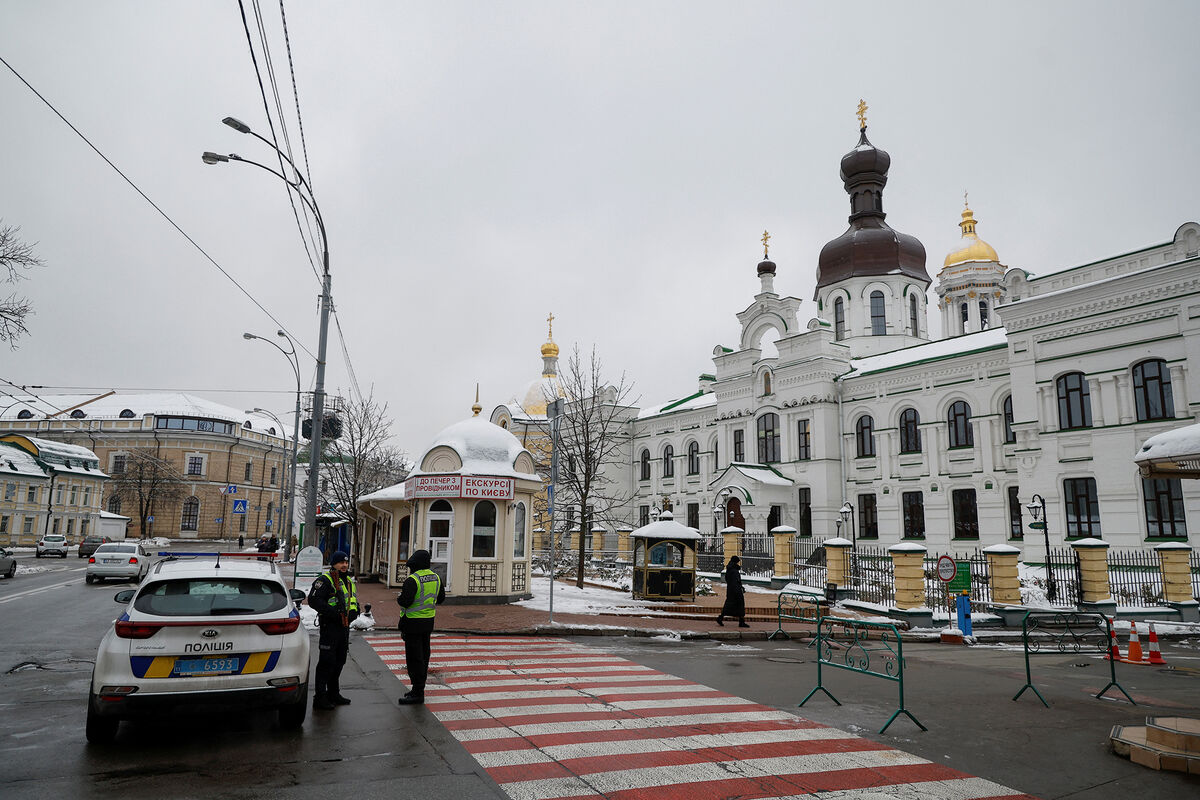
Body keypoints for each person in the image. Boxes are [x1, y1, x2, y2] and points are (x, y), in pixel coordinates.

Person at [307, 550, 358, 710]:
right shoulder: (325, 580)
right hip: (330, 626)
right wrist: (333, 614)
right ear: (333, 564)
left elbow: (353, 600)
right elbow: (314, 600)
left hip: (344, 627)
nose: (344, 565)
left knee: (339, 661)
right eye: (340, 563)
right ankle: (320, 697)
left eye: (346, 562)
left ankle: (334, 693)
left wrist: (354, 612)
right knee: (326, 662)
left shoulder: (348, 581)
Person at [395, 549, 445, 705]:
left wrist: (399, 598)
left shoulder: (413, 580)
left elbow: (405, 602)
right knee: (424, 656)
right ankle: (418, 689)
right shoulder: (436, 577)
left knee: (414, 659)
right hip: (428, 623)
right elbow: (441, 599)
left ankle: (417, 693)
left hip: (412, 624)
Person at [716, 555, 749, 628]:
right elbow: (735, 581)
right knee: (739, 605)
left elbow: (729, 580)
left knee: (729, 605)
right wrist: (738, 589)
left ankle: (721, 617)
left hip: (731, 590)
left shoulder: (730, 569)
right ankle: (741, 622)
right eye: (738, 562)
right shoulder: (734, 570)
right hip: (735, 591)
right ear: (736, 562)